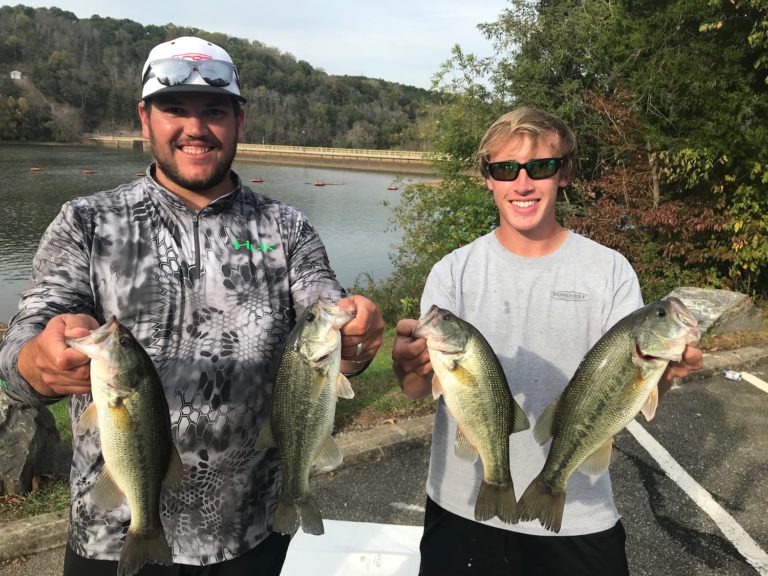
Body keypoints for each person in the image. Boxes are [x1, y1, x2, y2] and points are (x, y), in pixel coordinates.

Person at [0, 36, 385, 575]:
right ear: (145, 118)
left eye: (214, 112)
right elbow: (25, 344)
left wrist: (358, 338)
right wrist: (34, 362)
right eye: (175, 109)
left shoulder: (286, 229)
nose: (195, 128)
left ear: (239, 121)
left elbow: (326, 310)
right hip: (114, 535)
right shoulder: (86, 223)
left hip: (251, 527)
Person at [391, 106, 703, 575]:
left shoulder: (611, 271)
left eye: (539, 167)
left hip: (580, 515)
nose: (522, 183)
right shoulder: (452, 272)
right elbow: (419, 388)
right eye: (504, 169)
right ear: (488, 180)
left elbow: (635, 388)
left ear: (564, 174)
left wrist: (669, 373)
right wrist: (406, 368)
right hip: (462, 506)